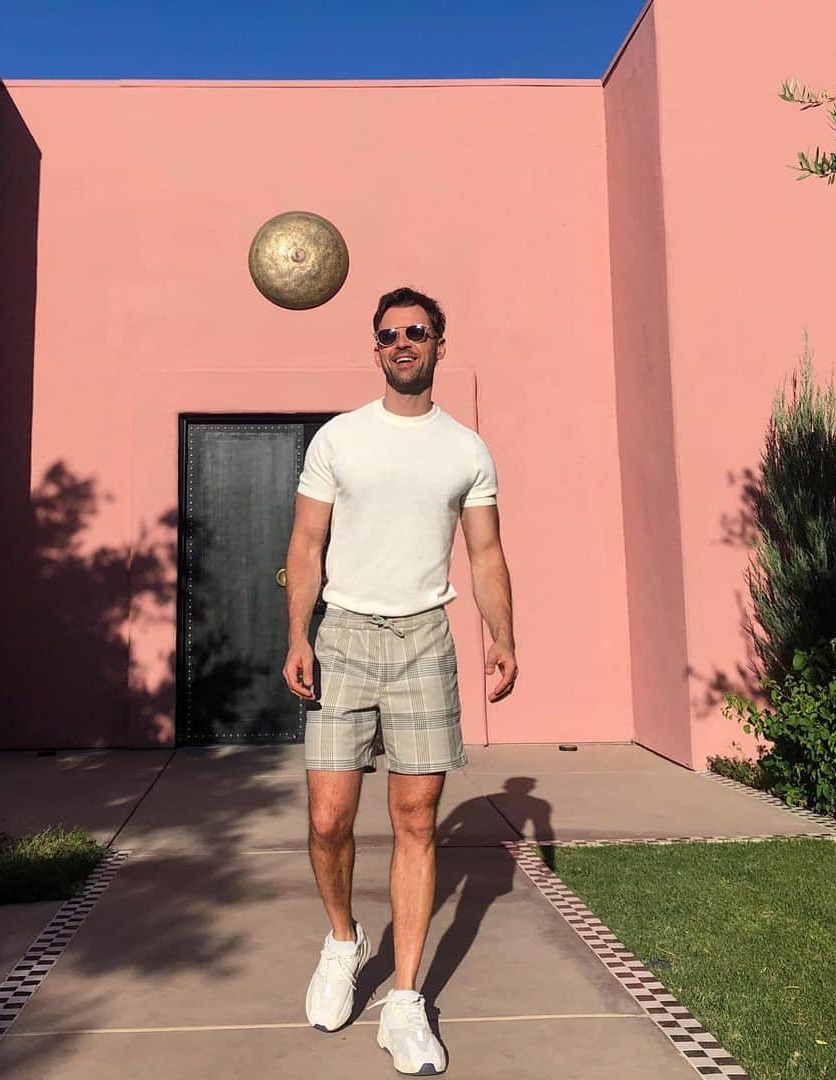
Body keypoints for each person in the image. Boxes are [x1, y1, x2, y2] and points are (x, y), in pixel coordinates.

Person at [282, 285, 517, 1075]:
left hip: (424, 640)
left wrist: (502, 637)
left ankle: (406, 1001)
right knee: (328, 818)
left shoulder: (466, 449)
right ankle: (343, 942)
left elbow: (483, 553)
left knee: (416, 819)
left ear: (440, 344)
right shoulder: (339, 439)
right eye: (389, 334)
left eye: (417, 332)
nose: (403, 344)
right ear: (376, 346)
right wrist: (297, 635)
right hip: (343, 634)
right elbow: (307, 541)